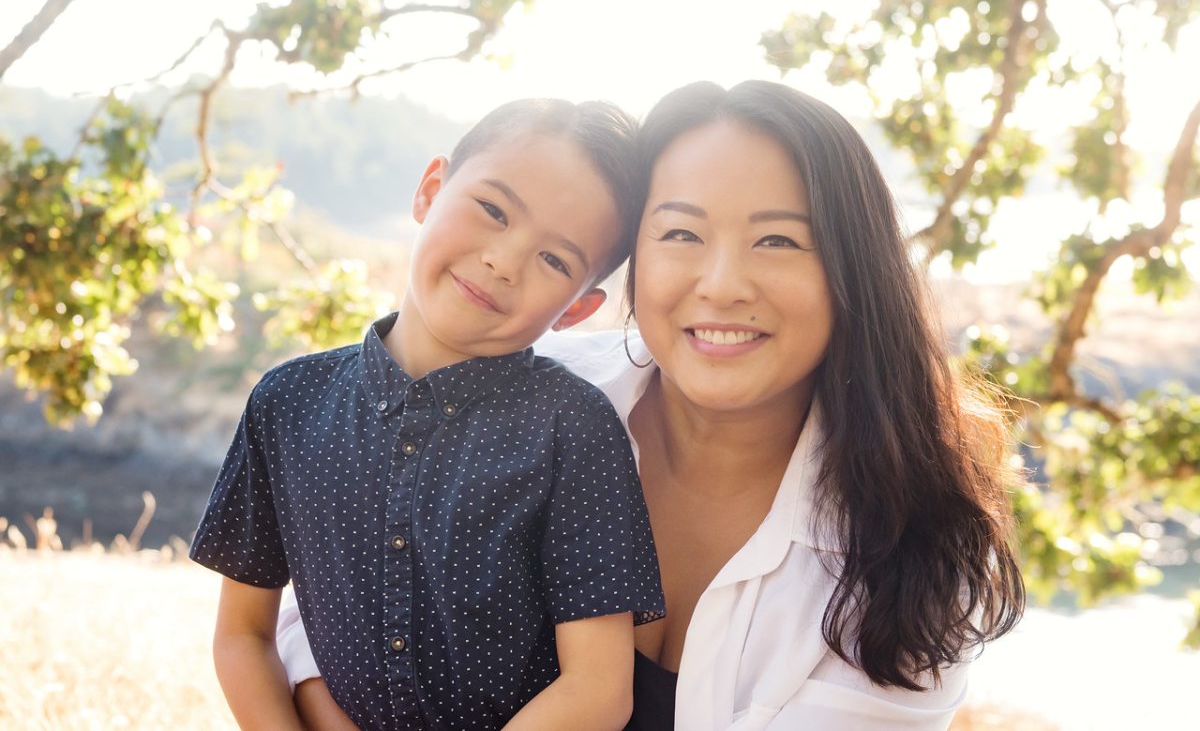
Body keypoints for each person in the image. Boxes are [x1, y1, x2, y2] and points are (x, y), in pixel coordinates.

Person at [286, 79, 1025, 730]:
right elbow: (323, 597)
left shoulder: (918, 549)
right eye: (680, 233)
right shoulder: (521, 389)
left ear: (851, 272)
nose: (723, 283)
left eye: (776, 239)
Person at [189, 98, 665, 731]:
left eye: (555, 260)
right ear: (429, 191)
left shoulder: (573, 426)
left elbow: (598, 690)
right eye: (493, 210)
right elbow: (244, 636)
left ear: (577, 309)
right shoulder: (287, 402)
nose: (503, 260)